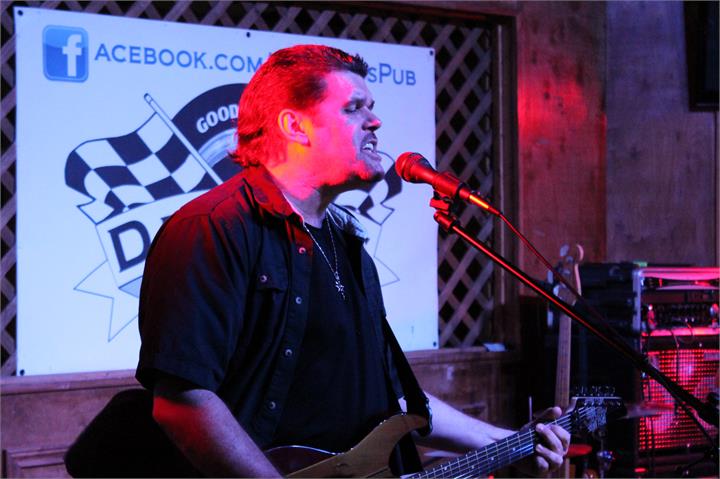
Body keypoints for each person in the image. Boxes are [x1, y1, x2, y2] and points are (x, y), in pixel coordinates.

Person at [136, 44, 570, 477]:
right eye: (353, 107)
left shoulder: (346, 243)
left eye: (371, 107)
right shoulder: (212, 229)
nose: (374, 121)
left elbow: (393, 396)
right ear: (295, 126)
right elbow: (182, 401)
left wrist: (508, 442)